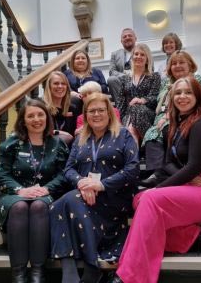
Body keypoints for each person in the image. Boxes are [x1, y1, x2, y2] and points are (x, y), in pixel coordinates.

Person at [109, 77, 201, 283]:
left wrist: (159, 189)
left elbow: (194, 166)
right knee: (139, 199)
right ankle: (199, 235)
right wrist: (185, 177)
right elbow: (167, 164)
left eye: (188, 92)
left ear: (198, 96)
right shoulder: (175, 126)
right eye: (178, 93)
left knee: (150, 200)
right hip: (194, 187)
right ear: (171, 98)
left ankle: (130, 276)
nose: (182, 97)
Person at [49, 93, 140, 283]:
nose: (96, 114)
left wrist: (101, 185)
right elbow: (69, 169)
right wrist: (82, 183)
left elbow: (133, 169)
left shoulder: (123, 134)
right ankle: (77, 267)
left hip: (114, 196)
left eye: (101, 110)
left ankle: (87, 268)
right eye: (92, 111)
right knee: (60, 204)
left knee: (67, 202)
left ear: (109, 113)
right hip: (84, 194)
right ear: (85, 114)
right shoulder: (81, 137)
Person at [0, 99, 70, 283]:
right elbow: (1, 173)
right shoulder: (11, 144)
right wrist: (20, 190)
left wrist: (46, 188)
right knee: (20, 207)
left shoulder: (57, 144)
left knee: (37, 206)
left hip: (45, 195)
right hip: (14, 195)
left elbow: (64, 174)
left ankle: (38, 272)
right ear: (23, 120)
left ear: (47, 117)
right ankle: (18, 274)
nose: (36, 119)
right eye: (30, 116)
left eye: (40, 114)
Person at [141, 50, 201, 186]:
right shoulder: (165, 83)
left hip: (185, 115)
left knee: (167, 129)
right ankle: (157, 172)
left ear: (190, 65)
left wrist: (169, 116)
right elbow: (158, 101)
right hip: (163, 116)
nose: (177, 65)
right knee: (152, 133)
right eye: (174, 63)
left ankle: (174, 174)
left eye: (181, 62)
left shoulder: (197, 80)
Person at [116, 43, 161, 144]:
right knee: (131, 129)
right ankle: (144, 148)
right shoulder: (124, 79)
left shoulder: (154, 76)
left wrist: (142, 100)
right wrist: (118, 121)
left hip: (147, 113)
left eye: (142, 54)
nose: (138, 57)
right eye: (136, 54)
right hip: (128, 116)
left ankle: (145, 145)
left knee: (136, 108)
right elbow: (120, 102)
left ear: (147, 58)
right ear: (132, 57)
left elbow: (155, 97)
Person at [43, 70, 78, 145]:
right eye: (56, 83)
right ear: (49, 86)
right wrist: (61, 133)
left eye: (63, 84)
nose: (60, 86)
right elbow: (40, 131)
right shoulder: (42, 108)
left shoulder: (72, 108)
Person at [107, 28, 137, 103]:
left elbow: (150, 68)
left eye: (130, 35)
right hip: (121, 83)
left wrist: (135, 76)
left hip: (138, 81)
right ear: (121, 41)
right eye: (124, 37)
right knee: (111, 79)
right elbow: (112, 71)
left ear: (135, 38)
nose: (127, 38)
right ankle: (120, 108)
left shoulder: (143, 52)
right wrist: (125, 76)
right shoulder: (115, 54)